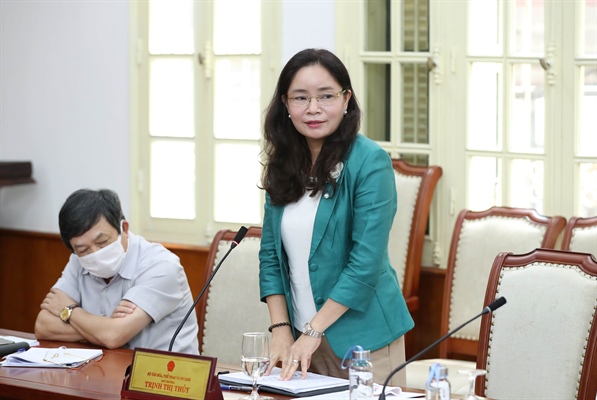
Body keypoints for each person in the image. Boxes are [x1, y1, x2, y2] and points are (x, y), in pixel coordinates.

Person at [258, 48, 414, 387]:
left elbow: (365, 263)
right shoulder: (283, 164)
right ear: (285, 104)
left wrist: (314, 330)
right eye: (301, 97)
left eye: (326, 96)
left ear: (346, 99)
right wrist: (282, 329)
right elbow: (270, 256)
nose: (313, 108)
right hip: (300, 339)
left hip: (364, 341)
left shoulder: (370, 162)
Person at [34, 189, 199, 354]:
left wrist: (69, 310)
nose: (95, 254)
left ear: (124, 229)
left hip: (164, 369)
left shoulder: (161, 266)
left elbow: (113, 336)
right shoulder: (78, 261)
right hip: (106, 365)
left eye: (102, 242)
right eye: (83, 249)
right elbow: (43, 326)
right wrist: (103, 328)